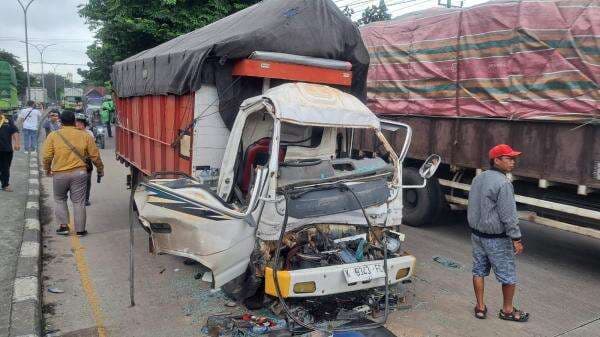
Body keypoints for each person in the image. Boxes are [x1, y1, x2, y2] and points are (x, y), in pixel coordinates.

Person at [468, 144, 529, 322]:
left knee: (478, 271)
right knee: (508, 275)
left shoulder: (478, 179)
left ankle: (480, 307)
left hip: (477, 235)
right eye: (508, 158)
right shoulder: (503, 183)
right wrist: (516, 238)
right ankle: (507, 311)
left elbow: (472, 206)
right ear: (496, 160)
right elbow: (508, 216)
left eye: (514, 158)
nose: (513, 162)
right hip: (496, 239)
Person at [42, 111, 104, 236]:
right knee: (79, 201)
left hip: (59, 173)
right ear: (74, 121)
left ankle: (64, 227)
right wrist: (100, 169)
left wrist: (47, 169)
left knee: (60, 199)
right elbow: (95, 155)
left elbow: (47, 156)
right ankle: (80, 230)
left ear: (60, 121)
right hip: (80, 173)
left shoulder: (53, 136)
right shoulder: (85, 135)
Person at [75, 113, 95, 206]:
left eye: (80, 123)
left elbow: (93, 150)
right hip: (74, 161)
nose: (78, 125)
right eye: (76, 123)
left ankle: (86, 199)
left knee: (87, 181)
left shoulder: (89, 133)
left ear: (84, 124)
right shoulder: (71, 134)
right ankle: (78, 198)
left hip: (86, 161)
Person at [0, 112, 20, 191]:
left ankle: (4, 182)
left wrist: (17, 143)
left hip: (6, 149)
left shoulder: (7, 120)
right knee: (4, 168)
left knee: (6, 167)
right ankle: (5, 185)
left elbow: (14, 131)